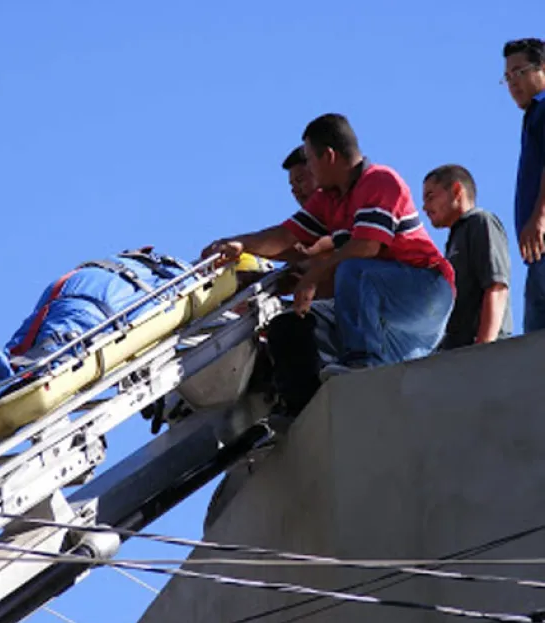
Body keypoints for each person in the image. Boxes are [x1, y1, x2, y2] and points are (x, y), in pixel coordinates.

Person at [202, 113, 455, 394]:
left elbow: (367, 246)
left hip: (426, 290)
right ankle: (303, 404)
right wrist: (239, 244)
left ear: (329, 157)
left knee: (352, 269)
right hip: (385, 310)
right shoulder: (329, 199)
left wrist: (313, 276)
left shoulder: (381, 181)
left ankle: (362, 364)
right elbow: (285, 237)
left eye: (310, 160)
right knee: (292, 325)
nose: (309, 169)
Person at [423, 164, 513, 349]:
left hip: (480, 355)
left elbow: (496, 287)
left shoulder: (480, 222)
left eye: (430, 197)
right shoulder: (456, 238)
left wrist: (483, 349)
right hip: (457, 352)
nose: (425, 207)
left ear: (456, 191)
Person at [502, 38, 545, 332]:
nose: (512, 82)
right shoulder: (533, 115)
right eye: (507, 76)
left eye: (520, 71)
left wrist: (540, 217)